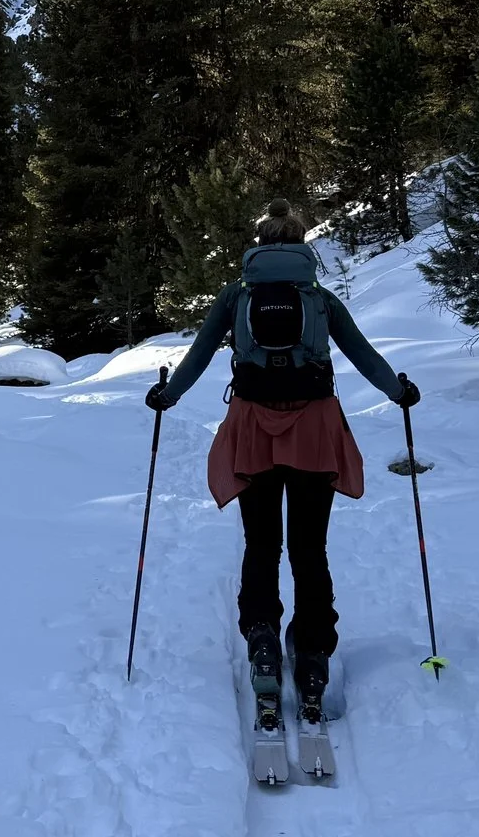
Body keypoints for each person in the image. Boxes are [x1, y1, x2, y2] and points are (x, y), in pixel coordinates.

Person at [144, 199, 418, 722]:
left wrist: (167, 396)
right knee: (309, 546)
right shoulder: (318, 297)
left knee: (262, 541)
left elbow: (199, 354)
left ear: (259, 245)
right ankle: (313, 651)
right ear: (299, 243)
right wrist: (399, 391)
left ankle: (263, 636)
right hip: (314, 427)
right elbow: (361, 353)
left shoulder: (235, 296)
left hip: (252, 428)